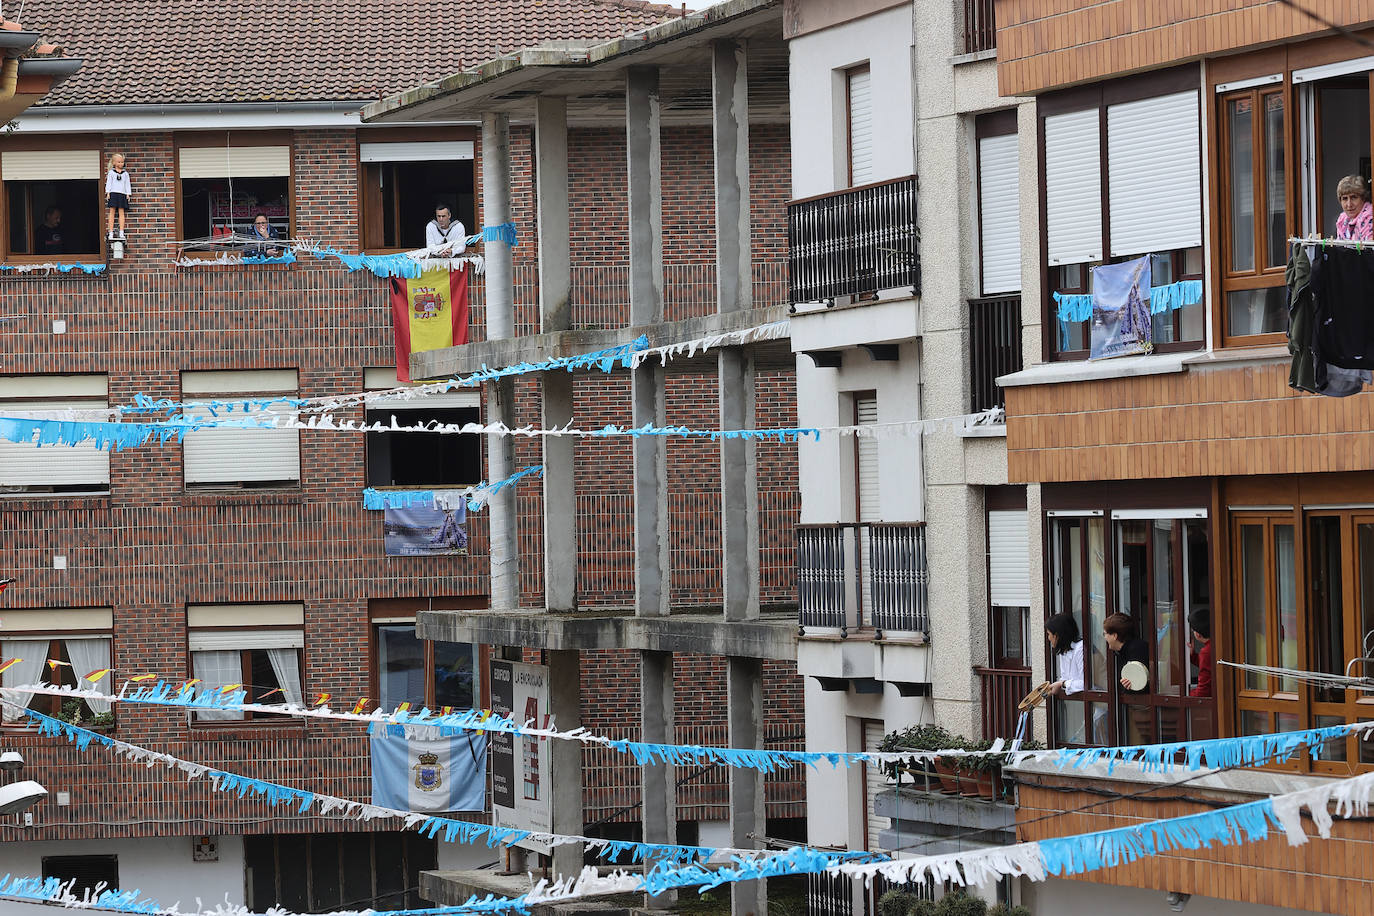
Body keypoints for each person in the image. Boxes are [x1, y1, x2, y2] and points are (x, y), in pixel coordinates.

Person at [1044, 612, 1084, 698]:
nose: (1048, 638)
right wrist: (1056, 686)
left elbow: (1085, 684)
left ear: (1057, 635)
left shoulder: (1081, 649)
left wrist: (1061, 684)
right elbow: (1065, 678)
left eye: (1049, 634)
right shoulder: (1064, 651)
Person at [1335, 174, 1372, 241]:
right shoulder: (1342, 220)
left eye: (1353, 197)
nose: (1349, 204)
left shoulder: (1370, 217)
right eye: (1345, 198)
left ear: (1363, 198)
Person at [105, 152, 131, 240]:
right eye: (119, 162)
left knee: (121, 213)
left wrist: (128, 193)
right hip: (113, 193)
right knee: (112, 212)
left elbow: (127, 184)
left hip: (122, 194)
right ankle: (111, 232)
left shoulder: (125, 174)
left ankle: (121, 232)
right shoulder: (111, 173)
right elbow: (108, 183)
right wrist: (108, 192)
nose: (121, 164)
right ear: (114, 163)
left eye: (122, 162)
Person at [1188, 606, 1213, 699]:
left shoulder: (1206, 651)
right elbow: (1211, 667)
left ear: (1198, 634)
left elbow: (1203, 691)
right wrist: (1193, 655)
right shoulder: (1218, 644)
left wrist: (1186, 696)